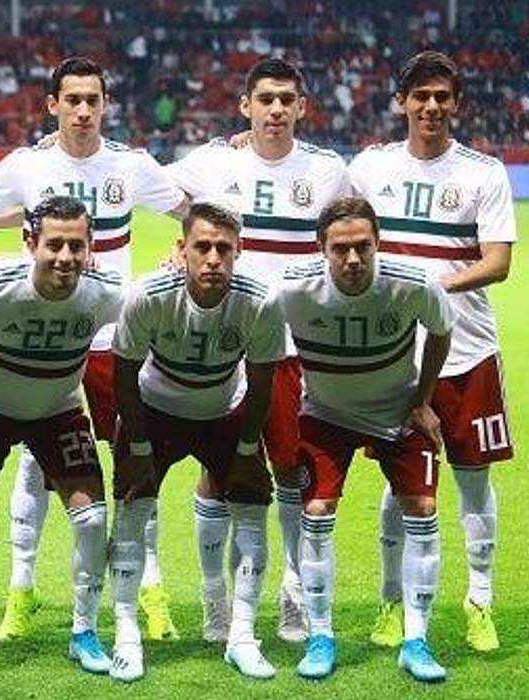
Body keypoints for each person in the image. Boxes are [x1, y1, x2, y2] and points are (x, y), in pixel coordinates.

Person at [0, 55, 188, 643]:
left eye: (94, 99)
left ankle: (150, 589)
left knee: (136, 470)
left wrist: (187, 248)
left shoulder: (133, 165)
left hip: (112, 337)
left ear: (105, 105)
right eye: (74, 100)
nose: (84, 110)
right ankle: (21, 589)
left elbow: (193, 211)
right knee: (35, 470)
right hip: (38, 334)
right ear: (53, 105)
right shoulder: (27, 164)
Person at [162, 57, 352, 643]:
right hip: (222, 347)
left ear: (302, 107)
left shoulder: (328, 170)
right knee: (217, 476)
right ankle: (215, 602)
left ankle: (294, 596)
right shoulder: (214, 161)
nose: (275, 109)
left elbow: (353, 233)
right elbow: (144, 182)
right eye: (264, 98)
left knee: (291, 473)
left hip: (294, 348)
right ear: (245, 105)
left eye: (286, 99)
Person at [351, 50, 516, 654]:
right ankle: (391, 603)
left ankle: (480, 600)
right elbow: (330, 222)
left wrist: (430, 287)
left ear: (457, 103)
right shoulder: (370, 169)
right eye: (420, 95)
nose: (431, 106)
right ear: (401, 102)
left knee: (474, 483)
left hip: (467, 354)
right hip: (393, 359)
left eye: (442, 96)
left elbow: (498, 262)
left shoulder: (483, 172)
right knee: (402, 488)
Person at [0, 196, 121, 675]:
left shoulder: (104, 293)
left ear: (91, 247)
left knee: (91, 520)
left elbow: (155, 304)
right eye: (54, 244)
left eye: (76, 246)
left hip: (57, 411)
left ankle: (84, 631)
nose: (65, 257)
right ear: (29, 243)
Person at [278, 197, 455, 683]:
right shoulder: (292, 289)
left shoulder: (413, 284)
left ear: (377, 244)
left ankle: (416, 640)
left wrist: (422, 400)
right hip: (325, 415)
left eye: (363, 247)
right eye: (340, 249)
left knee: (422, 509)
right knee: (314, 515)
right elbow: (250, 323)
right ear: (321, 248)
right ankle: (320, 637)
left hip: (397, 414)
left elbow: (441, 332)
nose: (352, 259)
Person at [109, 202, 283, 682]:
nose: (212, 259)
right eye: (202, 247)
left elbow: (263, 383)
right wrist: (138, 449)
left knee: (251, 509)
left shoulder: (261, 301)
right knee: (131, 510)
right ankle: (126, 634)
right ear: (181, 249)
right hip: (153, 411)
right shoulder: (147, 295)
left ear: (239, 252)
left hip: (223, 412)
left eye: (223, 249)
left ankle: (242, 638)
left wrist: (249, 450)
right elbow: (123, 376)